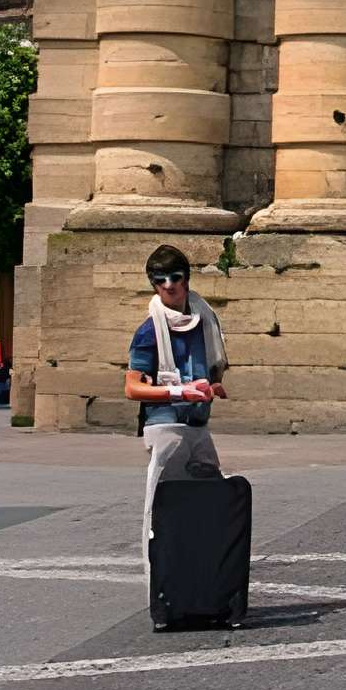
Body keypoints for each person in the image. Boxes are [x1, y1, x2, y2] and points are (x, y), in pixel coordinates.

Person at [124, 243, 228, 584]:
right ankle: (162, 583)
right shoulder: (149, 330)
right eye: (159, 280)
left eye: (175, 277)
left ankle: (202, 577)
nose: (168, 285)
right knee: (164, 510)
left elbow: (213, 367)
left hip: (198, 424)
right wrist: (176, 391)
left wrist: (213, 386)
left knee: (209, 504)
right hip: (165, 425)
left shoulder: (205, 319)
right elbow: (132, 388)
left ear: (187, 279)